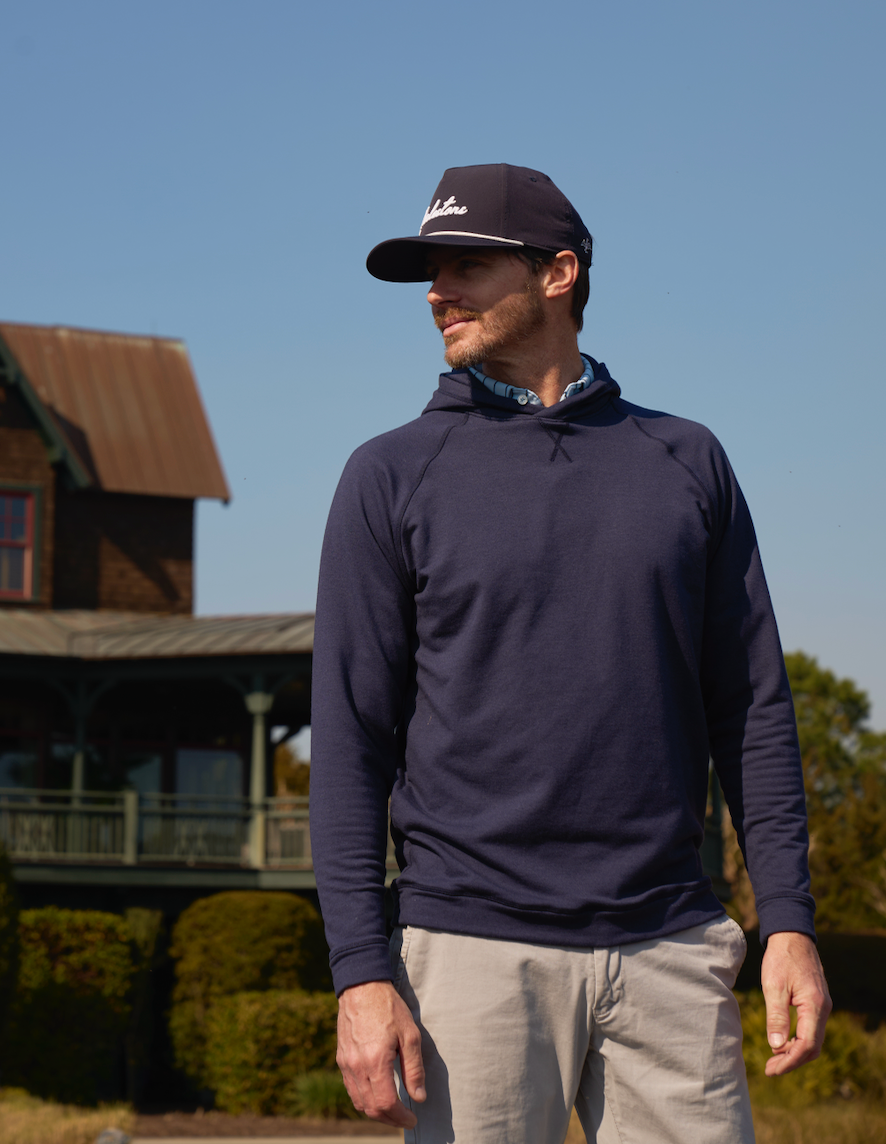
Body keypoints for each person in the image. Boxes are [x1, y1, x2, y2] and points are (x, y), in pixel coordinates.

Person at [309, 163, 831, 1144]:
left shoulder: (687, 462)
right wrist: (360, 973)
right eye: (430, 270)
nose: (437, 291)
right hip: (468, 954)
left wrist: (790, 921)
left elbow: (754, 708)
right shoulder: (389, 476)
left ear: (558, 273)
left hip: (672, 947)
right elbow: (347, 741)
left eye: (465, 264)